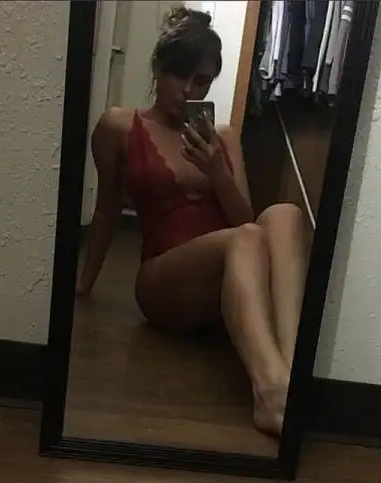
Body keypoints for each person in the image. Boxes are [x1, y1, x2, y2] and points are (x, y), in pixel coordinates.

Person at [77, 6, 307, 436]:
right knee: (244, 238)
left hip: (229, 271)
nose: (186, 90)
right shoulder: (119, 126)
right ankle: (270, 392)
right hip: (164, 280)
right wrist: (83, 286)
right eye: (178, 75)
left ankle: (294, 376)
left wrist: (217, 170)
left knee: (285, 215)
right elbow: (106, 207)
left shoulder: (224, 138)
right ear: (158, 67)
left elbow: (246, 220)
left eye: (200, 81)